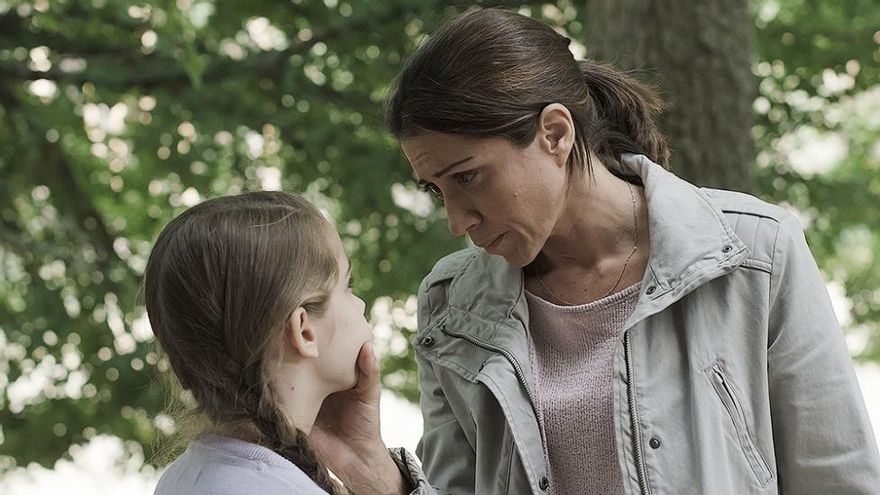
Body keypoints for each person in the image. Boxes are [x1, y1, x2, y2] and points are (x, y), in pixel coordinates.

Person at [385, 7, 880, 495]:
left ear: (555, 134)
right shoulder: (450, 307)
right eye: (436, 189)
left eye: (467, 177)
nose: (457, 220)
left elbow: (837, 481)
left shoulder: (756, 255)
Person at [144, 191, 431, 495]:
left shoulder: (181, 478)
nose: (360, 304)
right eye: (347, 287)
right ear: (304, 332)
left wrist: (363, 460)